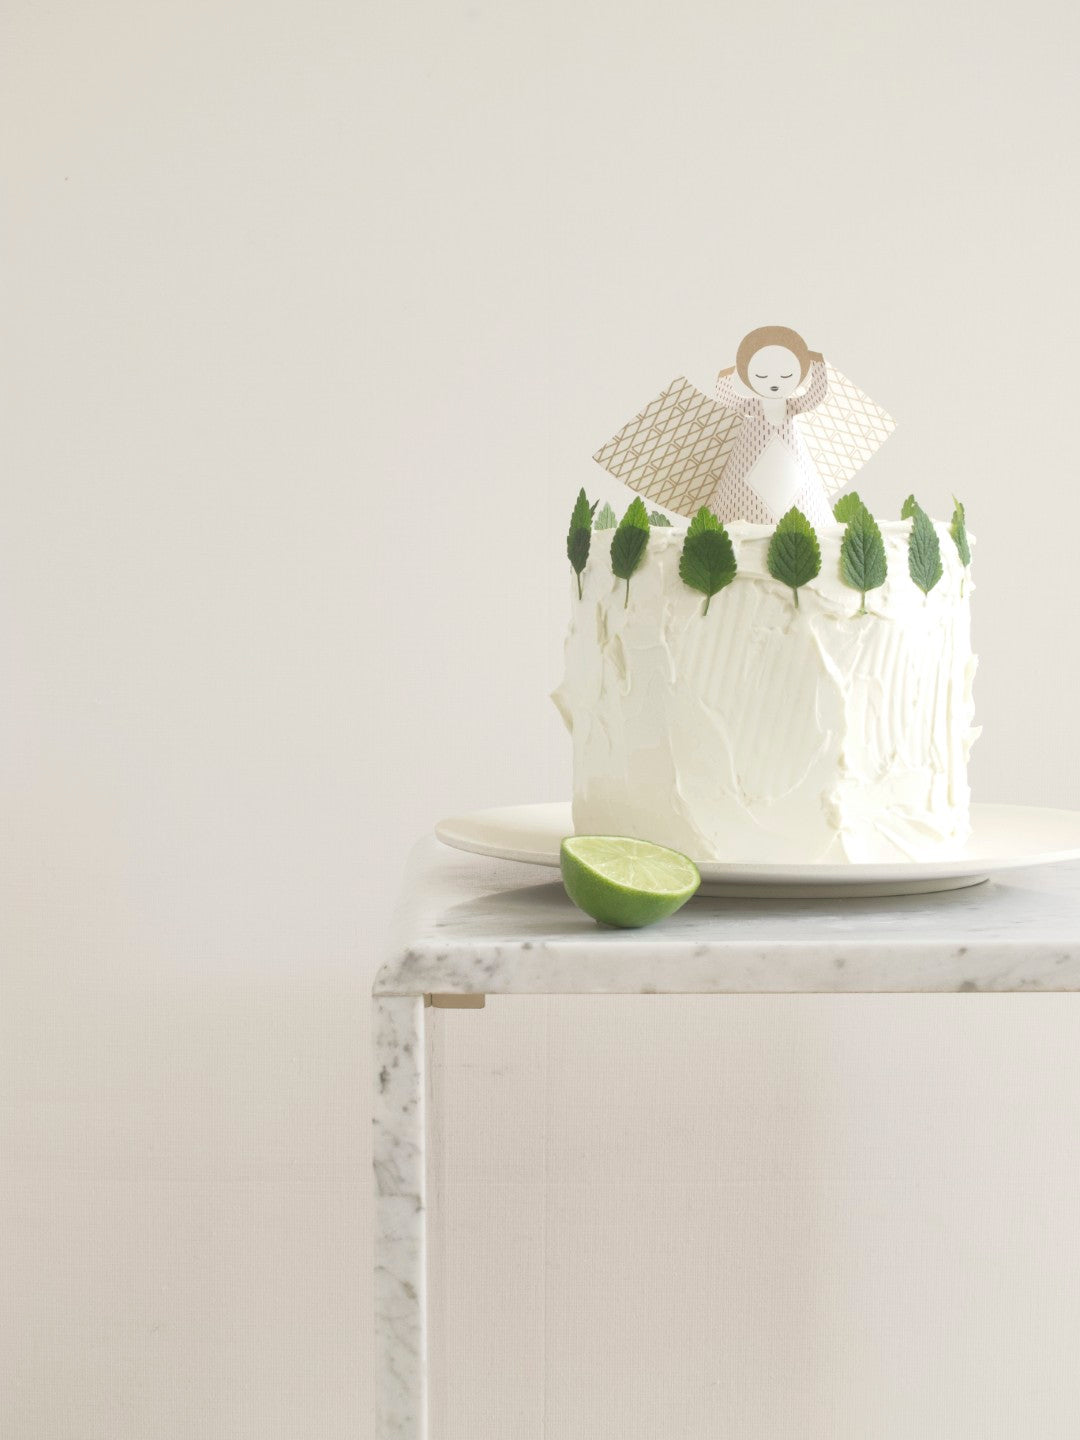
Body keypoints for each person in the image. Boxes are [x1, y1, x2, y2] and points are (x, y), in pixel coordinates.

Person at [709, 325, 832, 527]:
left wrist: (817, 364)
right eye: (761, 377)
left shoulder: (792, 407)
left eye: (786, 376)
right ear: (747, 376)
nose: (774, 383)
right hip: (743, 495)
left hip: (801, 495)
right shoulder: (754, 406)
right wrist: (726, 373)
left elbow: (815, 396)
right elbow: (729, 398)